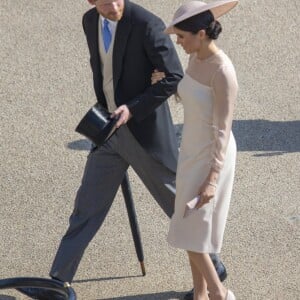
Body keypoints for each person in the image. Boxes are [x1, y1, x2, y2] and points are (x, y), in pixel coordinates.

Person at [16, 0, 226, 299]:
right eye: (104, 1)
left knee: (179, 208)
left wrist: (133, 108)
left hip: (144, 135)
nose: (114, 5)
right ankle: (57, 283)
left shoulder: (147, 24)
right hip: (109, 134)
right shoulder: (90, 21)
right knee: (86, 207)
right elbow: (103, 71)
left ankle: (214, 269)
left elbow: (173, 76)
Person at [163, 1, 239, 299]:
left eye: (182, 36)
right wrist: (169, 86)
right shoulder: (195, 58)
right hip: (190, 151)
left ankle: (218, 294)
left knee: (191, 229)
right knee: (190, 228)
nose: (178, 42)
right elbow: (195, 97)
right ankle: (200, 294)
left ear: (202, 33)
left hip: (211, 156)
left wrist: (212, 178)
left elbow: (222, 129)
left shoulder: (223, 72)